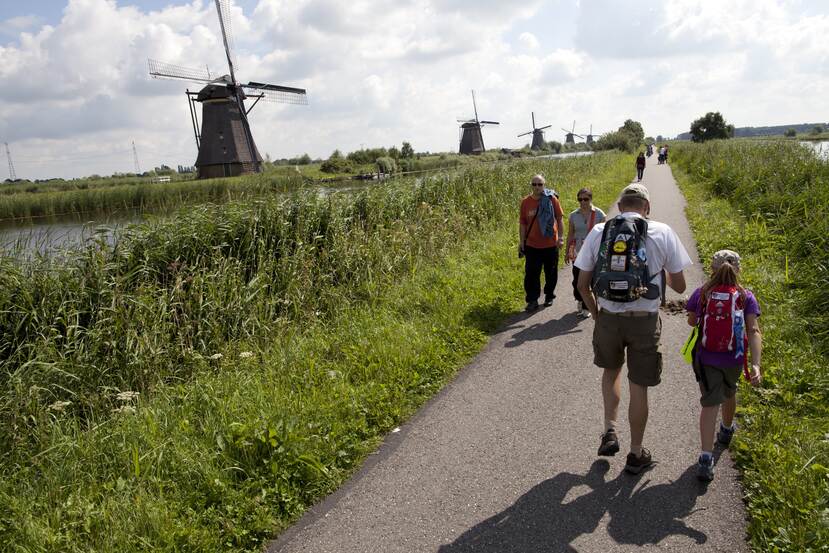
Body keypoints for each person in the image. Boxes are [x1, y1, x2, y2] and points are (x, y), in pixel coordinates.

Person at [575, 183, 692, 474]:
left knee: (610, 371)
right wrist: (659, 266)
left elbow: (581, 285)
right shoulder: (662, 232)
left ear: (619, 207)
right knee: (638, 385)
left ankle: (609, 431)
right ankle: (636, 453)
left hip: (609, 319)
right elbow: (680, 286)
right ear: (647, 208)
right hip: (644, 319)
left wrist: (596, 315)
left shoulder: (600, 232)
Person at [685, 249, 762, 482]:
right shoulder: (745, 296)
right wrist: (756, 364)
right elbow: (754, 330)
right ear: (738, 270)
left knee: (710, 403)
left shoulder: (703, 293)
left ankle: (706, 458)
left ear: (712, 269)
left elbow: (691, 320)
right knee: (730, 391)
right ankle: (727, 429)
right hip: (734, 357)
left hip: (707, 357)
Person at [519, 174, 565, 312]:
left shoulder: (552, 200)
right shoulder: (525, 202)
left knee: (551, 272)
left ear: (544, 185)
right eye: (534, 184)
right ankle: (532, 300)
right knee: (531, 274)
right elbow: (522, 223)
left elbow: (559, 218)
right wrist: (522, 242)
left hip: (550, 244)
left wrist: (561, 237)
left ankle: (549, 295)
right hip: (532, 245)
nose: (537, 187)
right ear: (531, 186)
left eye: (540, 184)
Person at [565, 188, 606, 318]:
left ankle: (588, 305)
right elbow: (571, 234)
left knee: (594, 279)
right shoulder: (573, 215)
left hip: (594, 252)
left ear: (591, 199)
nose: (583, 202)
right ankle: (580, 300)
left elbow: (604, 237)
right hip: (577, 252)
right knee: (577, 278)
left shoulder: (599, 214)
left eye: (586, 199)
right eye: (580, 199)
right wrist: (567, 251)